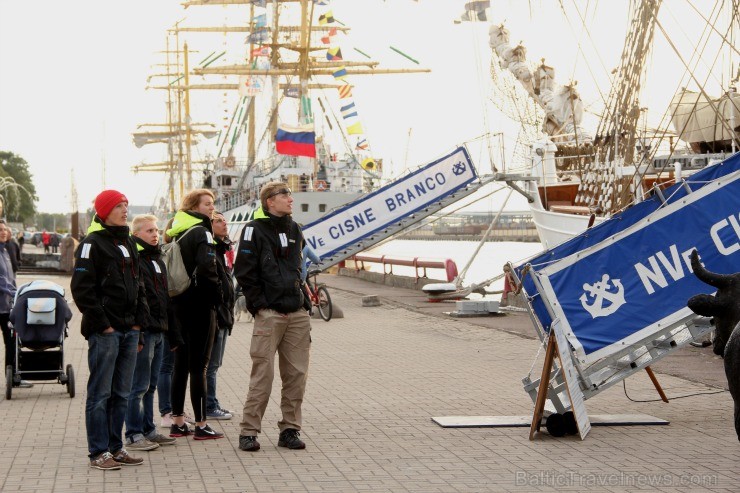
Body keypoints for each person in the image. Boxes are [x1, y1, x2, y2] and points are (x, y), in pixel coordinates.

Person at [71, 190, 149, 470]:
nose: (125, 209)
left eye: (126, 204)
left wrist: (139, 324)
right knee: (100, 394)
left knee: (122, 393)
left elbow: (139, 284)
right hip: (106, 332)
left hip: (130, 330)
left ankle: (116, 447)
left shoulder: (128, 240)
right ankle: (98, 452)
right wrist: (104, 324)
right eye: (118, 205)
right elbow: (81, 290)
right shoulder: (91, 244)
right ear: (104, 211)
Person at [234, 182, 312, 452]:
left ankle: (290, 430)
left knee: (296, 375)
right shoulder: (253, 230)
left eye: (290, 194)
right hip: (270, 314)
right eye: (284, 195)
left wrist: (305, 302)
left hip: (296, 312)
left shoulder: (295, 228)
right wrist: (261, 305)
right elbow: (244, 271)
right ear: (269, 201)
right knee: (262, 376)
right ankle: (248, 431)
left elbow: (298, 267)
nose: (290, 199)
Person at [166, 188, 224, 440]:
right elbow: (206, 267)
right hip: (200, 306)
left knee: (180, 366)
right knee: (199, 366)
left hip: (178, 304)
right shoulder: (202, 232)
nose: (212, 208)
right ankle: (201, 424)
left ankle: (178, 421)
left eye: (212, 204)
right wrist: (217, 297)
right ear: (194, 207)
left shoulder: (177, 231)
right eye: (207, 204)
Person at [124, 215, 177, 451]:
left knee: (151, 385)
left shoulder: (158, 259)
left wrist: (172, 332)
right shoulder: (136, 259)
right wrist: (140, 333)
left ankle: (149, 429)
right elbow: (137, 298)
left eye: (156, 230)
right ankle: (133, 433)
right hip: (145, 332)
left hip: (160, 331)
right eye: (149, 231)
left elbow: (165, 298)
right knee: (138, 386)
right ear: (136, 235)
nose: (155, 234)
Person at [206, 211, 235, 421]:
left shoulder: (223, 249)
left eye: (225, 220)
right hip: (216, 315)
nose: (224, 224)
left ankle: (212, 402)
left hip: (224, 315)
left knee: (216, 364)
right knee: (211, 365)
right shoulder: (211, 250)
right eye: (218, 221)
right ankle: (209, 405)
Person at [0, 221, 27, 388]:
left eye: (4, 229)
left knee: (12, 342)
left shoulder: (5, 250)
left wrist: (19, 292)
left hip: (6, 306)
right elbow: (1, 281)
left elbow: (10, 279)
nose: (3, 232)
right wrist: (15, 292)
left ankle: (13, 378)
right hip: (1, 305)